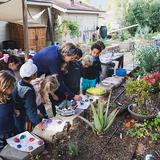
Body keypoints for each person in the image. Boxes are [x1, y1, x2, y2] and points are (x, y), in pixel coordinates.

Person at [13, 60, 41, 132]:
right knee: (25, 132)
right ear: (32, 76)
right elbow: (30, 109)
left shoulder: (19, 82)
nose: (37, 74)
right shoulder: (28, 92)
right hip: (23, 115)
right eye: (36, 73)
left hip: (17, 112)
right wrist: (38, 122)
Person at [0, 70, 17, 151]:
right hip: (1, 132)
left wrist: (14, 110)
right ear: (4, 86)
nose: (13, 87)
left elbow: (12, 103)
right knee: (3, 151)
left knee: (12, 148)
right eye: (11, 86)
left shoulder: (9, 95)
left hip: (11, 127)